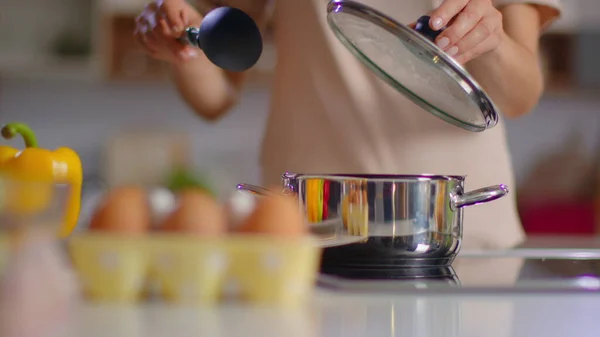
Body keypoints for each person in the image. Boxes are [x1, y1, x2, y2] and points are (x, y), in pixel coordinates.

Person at [135, 0, 561, 249]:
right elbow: (217, 93)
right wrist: (185, 43)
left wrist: (492, 41)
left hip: (457, 236)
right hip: (307, 235)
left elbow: (521, 94)